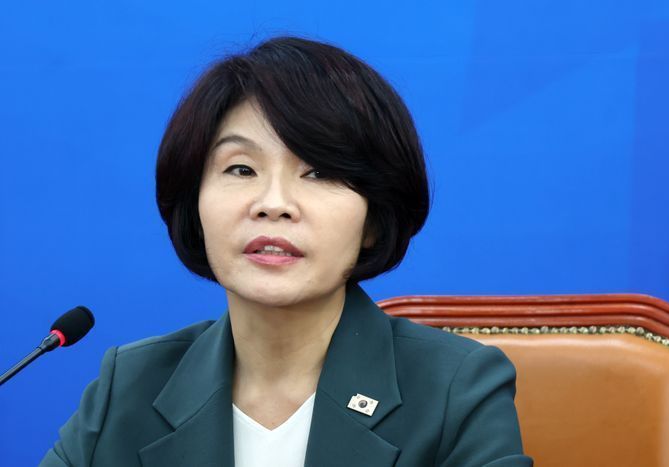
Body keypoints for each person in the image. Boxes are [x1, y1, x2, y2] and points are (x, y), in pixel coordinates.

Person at [41, 36, 532, 466]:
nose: (273, 203)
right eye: (240, 169)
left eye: (318, 172)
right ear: (195, 203)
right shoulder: (129, 387)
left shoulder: (455, 388)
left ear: (373, 221)